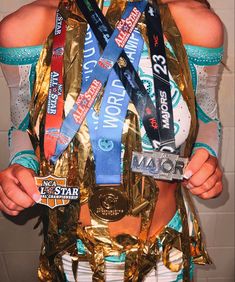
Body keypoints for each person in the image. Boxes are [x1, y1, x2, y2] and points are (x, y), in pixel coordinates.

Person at [0, 0, 224, 281]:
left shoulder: (196, 25)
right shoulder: (25, 28)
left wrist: (206, 157)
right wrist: (21, 166)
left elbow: (207, 120)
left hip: (165, 255)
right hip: (73, 255)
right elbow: (21, 127)